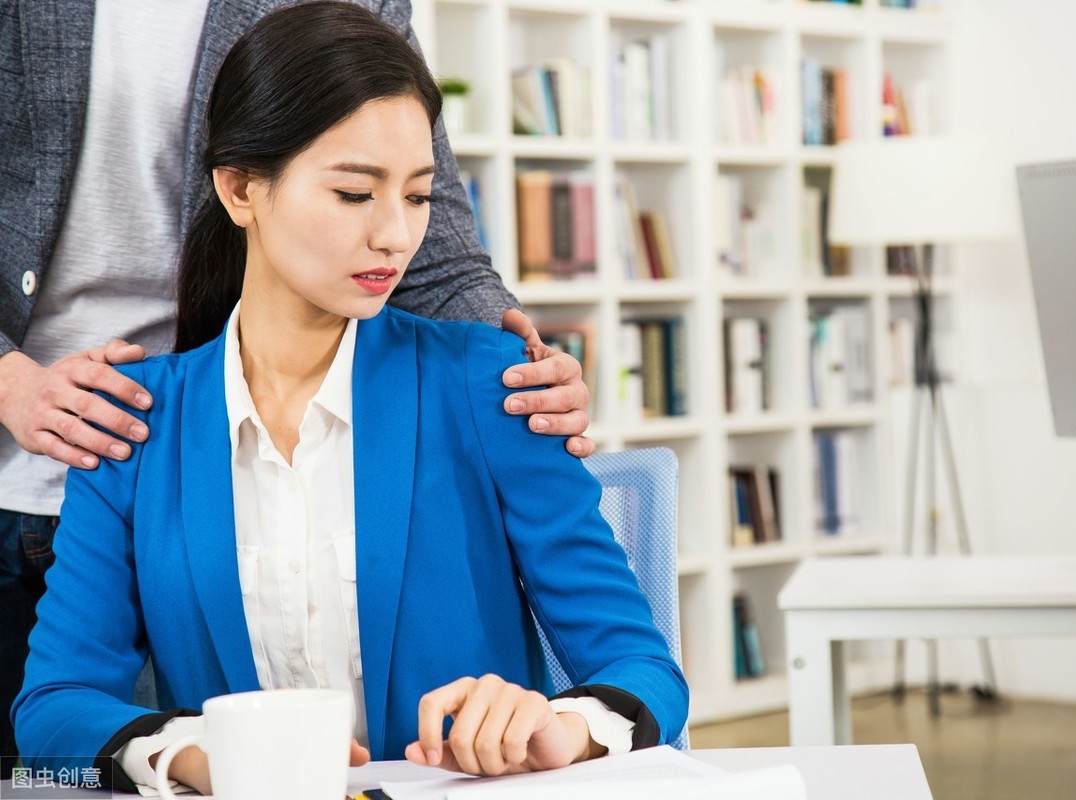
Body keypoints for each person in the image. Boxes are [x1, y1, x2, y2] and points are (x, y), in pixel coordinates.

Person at [12, 2, 688, 793]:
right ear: (239, 190)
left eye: (417, 196)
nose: (396, 236)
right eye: (354, 193)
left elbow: (646, 670)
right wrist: (197, 755)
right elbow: (52, 712)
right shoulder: (135, 425)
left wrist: (562, 726)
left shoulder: (490, 389)